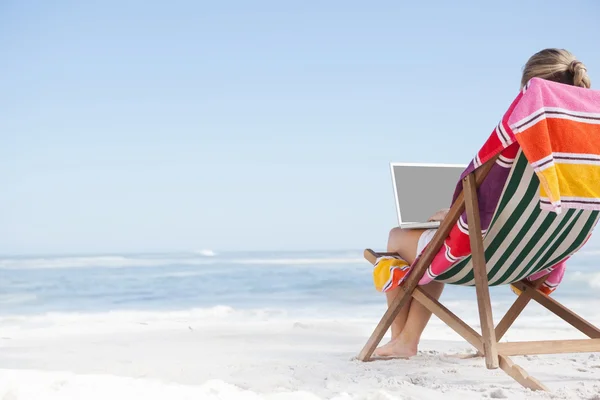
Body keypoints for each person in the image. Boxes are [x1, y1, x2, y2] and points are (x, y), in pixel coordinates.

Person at [373, 48, 592, 359]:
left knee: (401, 238)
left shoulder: (519, 145)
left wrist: (452, 215)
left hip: (484, 255)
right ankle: (403, 340)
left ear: (529, 90)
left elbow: (486, 199)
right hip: (539, 257)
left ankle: (403, 341)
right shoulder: (587, 158)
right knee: (432, 243)